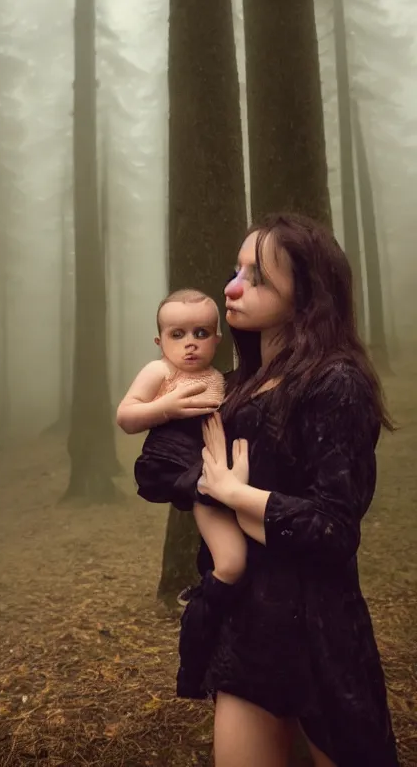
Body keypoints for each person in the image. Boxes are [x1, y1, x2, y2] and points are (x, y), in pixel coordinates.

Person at [134, 213, 400, 767]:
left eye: (257, 277)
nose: (231, 287)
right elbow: (155, 469)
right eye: (237, 269)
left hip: (321, 628)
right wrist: (169, 418)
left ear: (307, 295)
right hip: (249, 625)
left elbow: (332, 529)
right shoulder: (237, 387)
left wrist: (234, 495)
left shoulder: (337, 382)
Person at [117, 288, 250, 602]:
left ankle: (213, 584)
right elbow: (125, 416)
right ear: (159, 342)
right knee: (231, 558)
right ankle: (209, 593)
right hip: (175, 462)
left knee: (240, 542)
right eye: (177, 334)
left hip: (211, 464)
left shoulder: (219, 377)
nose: (190, 342)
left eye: (200, 333)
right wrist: (166, 408)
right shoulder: (160, 371)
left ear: (217, 340)